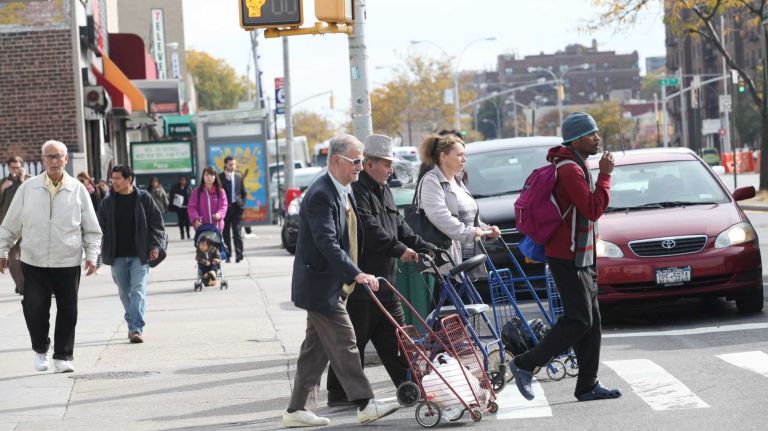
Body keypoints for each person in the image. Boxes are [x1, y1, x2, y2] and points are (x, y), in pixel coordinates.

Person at [284, 134, 399, 428]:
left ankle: (297, 409)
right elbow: (328, 242)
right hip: (322, 286)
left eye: (361, 161)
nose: (360, 167)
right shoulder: (321, 193)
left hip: (333, 285)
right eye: (356, 161)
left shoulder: (343, 190)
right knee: (346, 340)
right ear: (337, 160)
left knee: (315, 349)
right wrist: (355, 272)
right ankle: (364, 403)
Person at [509, 112, 622, 402]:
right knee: (579, 319)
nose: (597, 138)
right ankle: (526, 363)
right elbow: (593, 208)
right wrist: (606, 174)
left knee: (592, 322)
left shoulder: (577, 164)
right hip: (567, 257)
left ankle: (587, 384)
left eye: (597, 133)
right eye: (591, 134)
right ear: (576, 139)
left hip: (582, 256)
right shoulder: (569, 169)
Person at [325, 134, 436, 407]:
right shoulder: (356, 191)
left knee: (396, 337)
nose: (391, 169)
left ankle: (409, 384)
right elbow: (370, 231)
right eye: (386, 164)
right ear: (370, 163)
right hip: (363, 281)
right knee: (355, 341)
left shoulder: (384, 188)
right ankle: (339, 393)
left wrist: (423, 245)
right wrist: (402, 251)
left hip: (386, 281)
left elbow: (398, 225)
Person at [0, 140, 102, 373]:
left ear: (66, 159)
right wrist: (2, 250)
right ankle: (40, 349)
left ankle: (63, 356)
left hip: (67, 260)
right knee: (33, 306)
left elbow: (92, 229)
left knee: (68, 308)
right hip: (33, 259)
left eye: (59, 156)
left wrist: (92, 255)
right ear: (43, 160)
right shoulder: (28, 188)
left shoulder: (78, 190)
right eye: (50, 157)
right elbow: (10, 224)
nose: (54, 161)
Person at [417, 131, 501, 278]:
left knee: (474, 301)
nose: (464, 159)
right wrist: (470, 232)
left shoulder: (457, 180)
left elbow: (470, 217)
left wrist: (486, 230)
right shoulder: (431, 181)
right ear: (443, 156)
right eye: (459, 155)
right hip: (445, 263)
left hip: (468, 260)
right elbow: (441, 217)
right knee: (453, 300)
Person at [97, 165, 166, 344]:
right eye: (113, 178)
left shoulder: (144, 198)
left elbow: (156, 225)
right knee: (123, 292)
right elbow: (99, 227)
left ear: (129, 180)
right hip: (117, 255)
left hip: (139, 254)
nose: (114, 182)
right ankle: (133, 321)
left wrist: (155, 246)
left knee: (138, 290)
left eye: (118, 178)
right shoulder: (107, 201)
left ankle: (135, 328)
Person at [0, 156, 31, 295]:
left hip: (27, 224)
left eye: (17, 167)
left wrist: (23, 181)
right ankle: (20, 285)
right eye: (12, 167)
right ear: (8, 168)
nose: (15, 170)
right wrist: (2, 189)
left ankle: (27, 284)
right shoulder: (3, 182)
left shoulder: (30, 180)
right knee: (13, 257)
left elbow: (32, 197)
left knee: (27, 256)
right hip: (9, 225)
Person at [219, 156, 246, 263]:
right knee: (225, 233)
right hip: (225, 209)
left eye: (234, 164)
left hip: (236, 207)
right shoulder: (220, 177)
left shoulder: (238, 177)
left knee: (237, 232)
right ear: (225, 164)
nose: (232, 166)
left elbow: (243, 192)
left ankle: (239, 254)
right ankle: (228, 254)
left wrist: (242, 204)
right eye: (230, 164)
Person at [187, 166, 228, 233]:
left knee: (216, 243)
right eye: (206, 175)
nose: (209, 177)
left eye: (212, 175)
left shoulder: (220, 191)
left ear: (215, 176)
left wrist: (219, 214)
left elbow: (223, 205)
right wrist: (196, 219)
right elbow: (192, 207)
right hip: (202, 227)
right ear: (203, 177)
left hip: (216, 227)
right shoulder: (197, 191)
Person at [170, 175, 192, 240]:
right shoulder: (176, 187)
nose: (183, 181)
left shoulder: (188, 188)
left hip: (186, 207)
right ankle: (182, 234)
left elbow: (191, 197)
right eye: (181, 179)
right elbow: (172, 195)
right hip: (179, 207)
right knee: (181, 221)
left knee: (187, 221)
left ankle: (188, 233)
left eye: (184, 180)